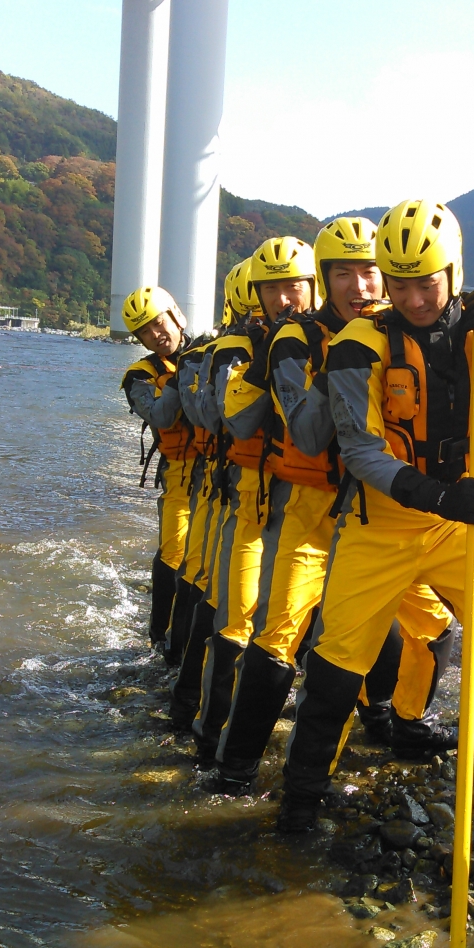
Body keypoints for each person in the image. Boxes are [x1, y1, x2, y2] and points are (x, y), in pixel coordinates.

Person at [277, 198, 474, 846]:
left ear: (452, 272)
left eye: (427, 282)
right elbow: (360, 450)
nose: (416, 298)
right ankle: (298, 807)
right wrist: (436, 494)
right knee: (334, 675)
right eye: (400, 284)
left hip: (457, 532)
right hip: (380, 528)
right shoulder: (358, 345)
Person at [207, 219, 456, 795]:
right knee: (280, 638)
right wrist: (343, 358)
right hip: (310, 515)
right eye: (343, 273)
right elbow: (311, 435)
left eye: (370, 271)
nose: (360, 286)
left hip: (379, 516)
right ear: (325, 281)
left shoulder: (402, 332)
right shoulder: (297, 341)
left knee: (433, 627)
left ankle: (401, 721)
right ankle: (234, 768)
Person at [192, 237, 314, 765]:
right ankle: (208, 734)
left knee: (337, 641)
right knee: (241, 620)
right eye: (274, 290)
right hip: (256, 499)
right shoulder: (239, 350)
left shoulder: (352, 338)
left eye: (296, 286)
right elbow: (228, 418)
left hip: (350, 508)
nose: (287, 299)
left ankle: (375, 725)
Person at [168, 259, 255, 729]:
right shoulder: (213, 356)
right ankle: (187, 695)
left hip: (293, 496)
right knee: (208, 584)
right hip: (226, 485)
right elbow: (209, 416)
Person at [120, 286, 197, 663]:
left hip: (225, 468)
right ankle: (160, 637)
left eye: (159, 322)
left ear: (176, 315)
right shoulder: (139, 377)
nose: (157, 334)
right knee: (175, 550)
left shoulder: (215, 349)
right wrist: (189, 373)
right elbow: (163, 417)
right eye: (145, 332)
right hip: (180, 472)